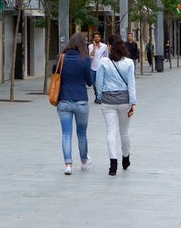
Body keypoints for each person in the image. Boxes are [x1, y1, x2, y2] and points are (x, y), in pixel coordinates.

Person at [95, 38, 137, 177]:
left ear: (109, 46)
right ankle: (126, 158)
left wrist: (100, 97)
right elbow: (131, 84)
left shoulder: (104, 62)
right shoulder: (129, 63)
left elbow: (98, 83)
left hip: (108, 100)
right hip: (124, 100)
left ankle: (113, 164)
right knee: (124, 131)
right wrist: (133, 102)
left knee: (110, 132)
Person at [55, 32, 94, 175]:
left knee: (66, 134)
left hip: (64, 100)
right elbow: (90, 81)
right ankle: (84, 161)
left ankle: (68, 165)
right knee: (82, 134)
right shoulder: (85, 59)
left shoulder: (61, 58)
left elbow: (56, 75)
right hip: (81, 101)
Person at [88, 32, 108, 103]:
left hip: (102, 67)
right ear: (94, 38)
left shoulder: (104, 46)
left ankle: (99, 97)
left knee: (100, 83)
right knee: (94, 84)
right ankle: (97, 95)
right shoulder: (90, 46)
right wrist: (94, 47)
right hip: (93, 67)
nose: (97, 38)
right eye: (95, 37)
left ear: (100, 38)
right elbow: (91, 57)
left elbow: (106, 56)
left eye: (98, 37)